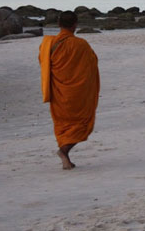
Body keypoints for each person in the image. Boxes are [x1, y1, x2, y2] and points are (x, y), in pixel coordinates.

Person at [38, 11, 100, 170]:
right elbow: (92, 63)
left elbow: (43, 63)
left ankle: (65, 154)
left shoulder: (48, 44)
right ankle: (64, 152)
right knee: (82, 123)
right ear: (75, 25)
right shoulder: (81, 44)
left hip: (58, 91)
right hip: (77, 93)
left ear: (59, 24)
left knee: (63, 124)